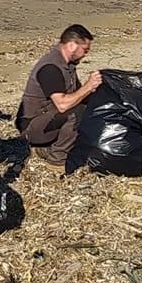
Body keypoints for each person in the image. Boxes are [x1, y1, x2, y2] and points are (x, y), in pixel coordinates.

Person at [17, 24, 102, 176]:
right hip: (32, 125)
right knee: (77, 112)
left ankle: (46, 148)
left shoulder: (68, 66)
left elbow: (78, 94)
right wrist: (88, 86)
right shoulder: (50, 67)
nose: (85, 55)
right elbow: (62, 105)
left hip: (48, 119)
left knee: (86, 108)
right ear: (71, 45)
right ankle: (57, 161)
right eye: (85, 50)